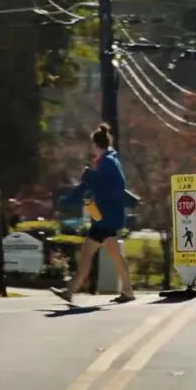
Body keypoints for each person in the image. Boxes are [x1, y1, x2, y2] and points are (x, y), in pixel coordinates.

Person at [52, 123, 136, 304]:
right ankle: (128, 291)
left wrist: (95, 187)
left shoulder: (107, 162)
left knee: (86, 255)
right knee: (115, 255)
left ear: (95, 145)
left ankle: (70, 290)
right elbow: (94, 184)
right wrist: (80, 193)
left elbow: (116, 188)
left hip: (104, 218)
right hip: (108, 217)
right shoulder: (108, 160)